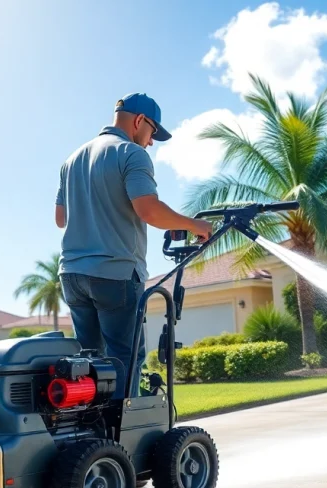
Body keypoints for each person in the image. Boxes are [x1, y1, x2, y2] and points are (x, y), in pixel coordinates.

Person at [54, 92, 212, 395]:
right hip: (115, 273)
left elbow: (61, 219)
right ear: (139, 121)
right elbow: (149, 210)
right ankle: (120, 425)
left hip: (72, 275)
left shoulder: (71, 160)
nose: (151, 142)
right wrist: (194, 225)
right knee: (123, 360)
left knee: (88, 363)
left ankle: (90, 423)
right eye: (153, 132)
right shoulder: (130, 153)